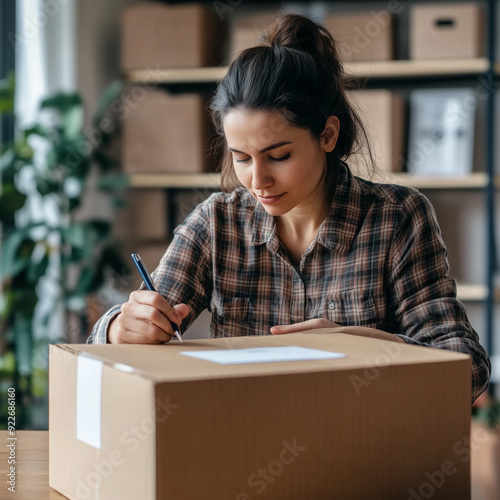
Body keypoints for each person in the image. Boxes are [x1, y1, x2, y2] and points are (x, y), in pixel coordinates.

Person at [88, 13, 490, 402]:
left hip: (364, 452)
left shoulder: (397, 218)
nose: (257, 181)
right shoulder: (216, 223)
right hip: (242, 443)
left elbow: (467, 369)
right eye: (241, 158)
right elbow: (104, 347)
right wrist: (121, 329)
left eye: (278, 156)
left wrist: (364, 345)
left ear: (328, 134)